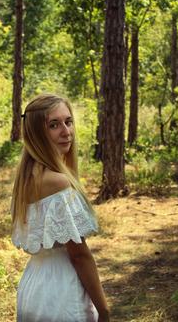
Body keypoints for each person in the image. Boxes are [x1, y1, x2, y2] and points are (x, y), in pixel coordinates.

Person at [11, 93, 110, 322]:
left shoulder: (27, 178)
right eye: (54, 125)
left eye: (68, 121)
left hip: (33, 288)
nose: (66, 132)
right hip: (62, 293)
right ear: (37, 133)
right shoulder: (58, 183)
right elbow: (79, 255)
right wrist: (103, 311)